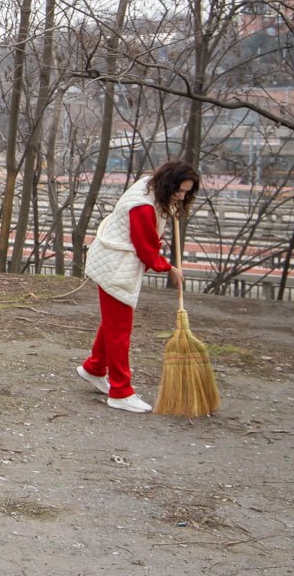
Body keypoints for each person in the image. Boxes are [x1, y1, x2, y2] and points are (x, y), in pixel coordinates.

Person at [77, 160, 201, 414]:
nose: (182, 196)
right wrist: (169, 268)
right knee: (120, 330)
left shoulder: (150, 187)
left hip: (115, 261)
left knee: (114, 324)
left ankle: (94, 367)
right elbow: (146, 248)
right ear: (168, 185)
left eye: (187, 192)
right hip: (116, 268)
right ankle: (121, 392)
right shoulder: (143, 207)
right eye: (179, 191)